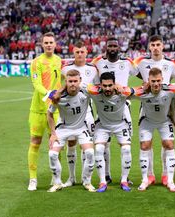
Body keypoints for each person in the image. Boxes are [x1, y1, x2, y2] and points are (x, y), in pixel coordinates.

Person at [134, 35, 175, 186]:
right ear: (149, 47)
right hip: (148, 103)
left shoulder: (170, 64)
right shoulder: (141, 62)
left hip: (166, 102)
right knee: (146, 144)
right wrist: (143, 87)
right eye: (153, 45)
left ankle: (166, 175)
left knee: (168, 143)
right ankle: (149, 175)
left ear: (163, 45)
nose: (156, 47)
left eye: (158, 44)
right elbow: (133, 73)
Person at [92, 36, 136, 184]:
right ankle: (106, 175)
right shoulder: (98, 61)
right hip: (104, 103)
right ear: (106, 48)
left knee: (125, 143)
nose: (112, 49)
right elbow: (88, 75)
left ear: (119, 48)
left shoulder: (127, 62)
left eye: (114, 46)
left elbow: (141, 74)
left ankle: (126, 176)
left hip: (123, 105)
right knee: (105, 143)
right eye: (109, 46)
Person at [47, 69, 95, 192]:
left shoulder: (86, 91)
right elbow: (49, 114)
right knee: (52, 154)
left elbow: (101, 91)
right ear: (66, 82)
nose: (73, 84)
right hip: (63, 128)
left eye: (75, 81)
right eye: (70, 81)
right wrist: (53, 134)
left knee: (89, 152)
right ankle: (57, 183)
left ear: (80, 81)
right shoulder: (58, 97)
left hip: (81, 127)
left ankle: (87, 181)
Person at [85, 72, 133, 192]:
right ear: (100, 85)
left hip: (120, 124)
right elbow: (83, 85)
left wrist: (122, 88)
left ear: (114, 84)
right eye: (104, 85)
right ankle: (102, 182)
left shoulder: (122, 93)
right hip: (103, 125)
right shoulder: (95, 93)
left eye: (110, 85)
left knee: (126, 149)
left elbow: (137, 91)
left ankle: (124, 180)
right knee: (100, 149)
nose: (107, 88)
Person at [61, 41, 99, 188]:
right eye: (77, 52)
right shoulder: (66, 68)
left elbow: (96, 88)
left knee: (86, 145)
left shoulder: (93, 69)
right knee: (71, 143)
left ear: (86, 52)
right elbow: (61, 87)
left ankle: (85, 179)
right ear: (73, 52)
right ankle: (71, 178)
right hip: (70, 113)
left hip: (87, 112)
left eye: (82, 52)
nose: (80, 54)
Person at [27, 32, 62, 191]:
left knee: (55, 143)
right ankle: (33, 178)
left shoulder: (58, 61)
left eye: (51, 42)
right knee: (35, 142)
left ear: (55, 44)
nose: (49, 45)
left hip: (54, 110)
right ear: (42, 44)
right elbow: (36, 83)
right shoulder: (36, 62)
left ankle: (56, 177)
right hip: (38, 110)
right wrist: (49, 93)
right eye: (46, 42)